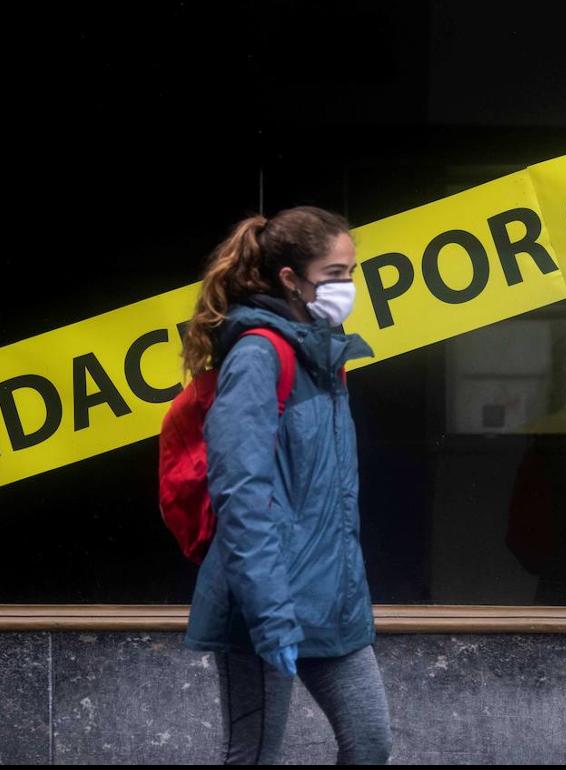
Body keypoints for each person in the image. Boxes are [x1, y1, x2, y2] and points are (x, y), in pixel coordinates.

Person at [179, 205, 392, 765]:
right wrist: (271, 619)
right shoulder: (258, 356)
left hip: (331, 599)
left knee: (370, 744)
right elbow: (240, 495)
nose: (347, 286)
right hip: (265, 602)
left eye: (351, 271)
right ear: (291, 279)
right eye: (334, 273)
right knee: (254, 755)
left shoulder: (322, 353)